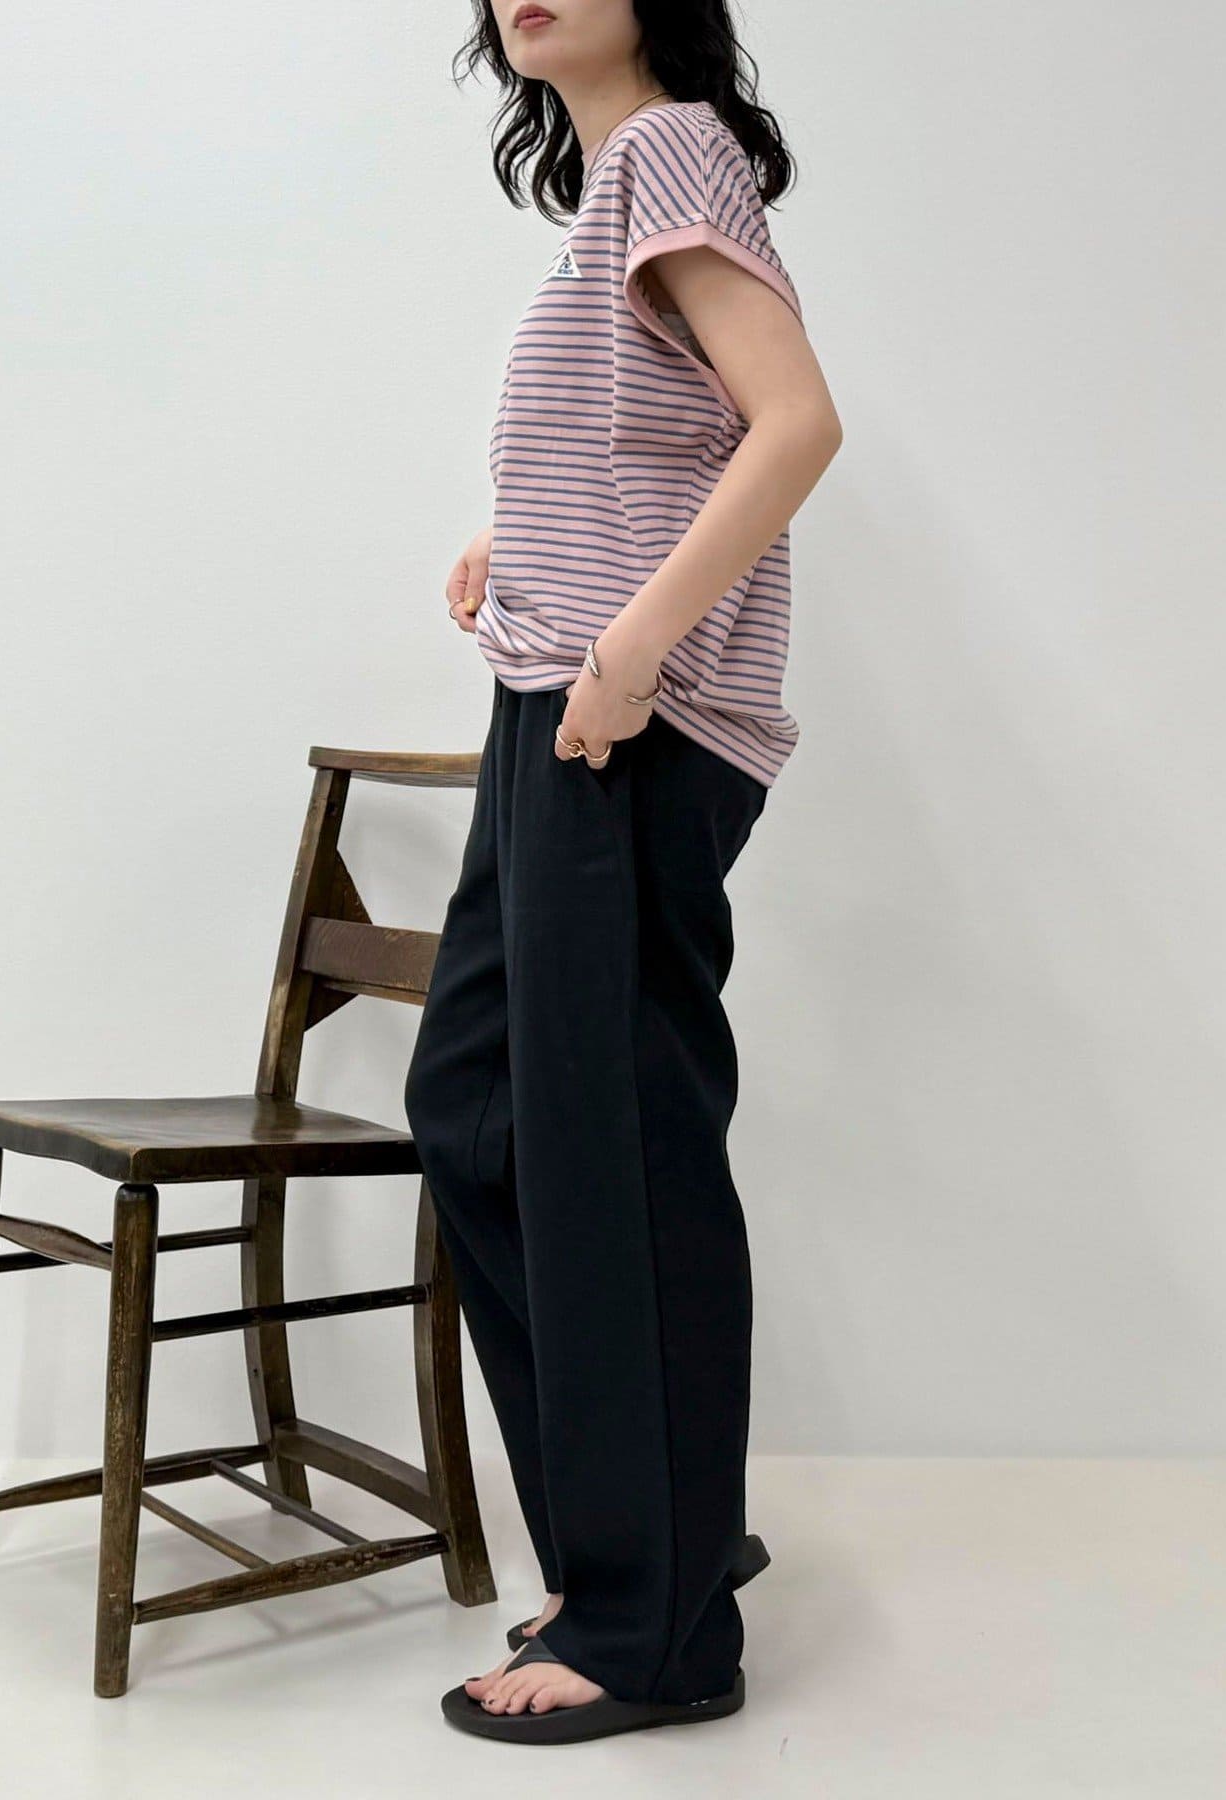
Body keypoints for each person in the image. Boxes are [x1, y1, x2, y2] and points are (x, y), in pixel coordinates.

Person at [403, 0, 843, 1745]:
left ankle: (652, 1628)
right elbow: (661, 437)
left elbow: (794, 424)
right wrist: (519, 535)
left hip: (620, 726)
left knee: (614, 1151)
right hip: (565, 703)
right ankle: (656, 1530)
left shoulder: (667, 147)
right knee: (478, 1111)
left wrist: (635, 649)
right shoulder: (618, 192)